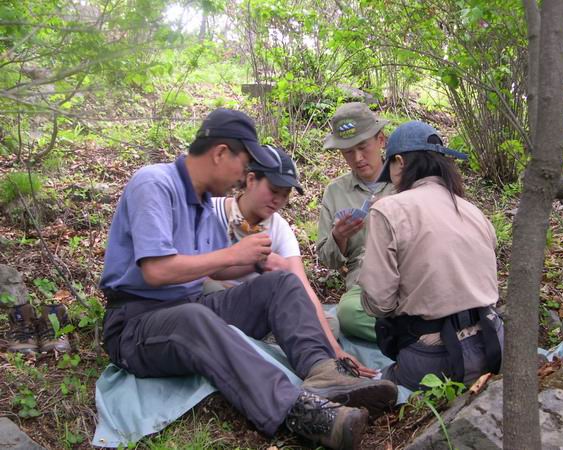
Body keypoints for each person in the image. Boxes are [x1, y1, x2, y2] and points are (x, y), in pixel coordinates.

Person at [99, 108, 397, 449]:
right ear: (220, 153)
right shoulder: (154, 183)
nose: (243, 176)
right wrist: (234, 254)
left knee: (281, 284)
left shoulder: (201, 200)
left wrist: (256, 264)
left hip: (190, 304)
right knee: (192, 318)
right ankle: (299, 411)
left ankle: (324, 372)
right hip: (136, 323)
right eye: (243, 165)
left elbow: (213, 270)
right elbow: (156, 270)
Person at [208, 144, 377, 377]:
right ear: (251, 180)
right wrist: (247, 264)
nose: (278, 200)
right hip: (214, 307)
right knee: (209, 286)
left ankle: (269, 340)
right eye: (273, 190)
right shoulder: (210, 212)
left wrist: (336, 350)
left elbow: (302, 286)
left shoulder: (278, 228)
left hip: (260, 310)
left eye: (285, 194)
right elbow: (190, 273)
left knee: (329, 325)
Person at [358, 120, 504, 390]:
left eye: (390, 171)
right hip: (494, 344)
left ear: (400, 162)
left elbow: (380, 302)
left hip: (434, 360)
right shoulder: (473, 211)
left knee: (377, 384)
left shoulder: (388, 210)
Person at [317, 102, 395, 342]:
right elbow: (326, 259)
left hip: (409, 273)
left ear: (380, 140)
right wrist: (338, 237)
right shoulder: (336, 192)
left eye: (363, 147)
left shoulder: (404, 181)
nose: (358, 158)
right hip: (365, 285)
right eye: (348, 152)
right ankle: (415, 335)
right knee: (349, 314)